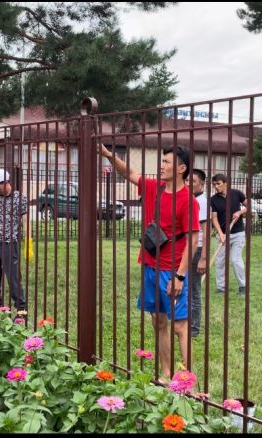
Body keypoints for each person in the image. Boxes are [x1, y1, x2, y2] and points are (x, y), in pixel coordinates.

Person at [98, 143, 199, 379]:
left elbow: (193, 241)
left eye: (166, 162)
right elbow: (131, 174)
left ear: (182, 168)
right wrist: (108, 155)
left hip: (172, 269)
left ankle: (188, 382)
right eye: (162, 161)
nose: (161, 166)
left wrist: (180, 276)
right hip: (150, 265)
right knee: (159, 321)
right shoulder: (155, 188)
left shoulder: (188, 200)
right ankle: (166, 375)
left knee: (180, 327)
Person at [0, 168, 29, 311]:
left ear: (4, 183)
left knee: (13, 278)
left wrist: (29, 241)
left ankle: (21, 308)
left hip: (10, 242)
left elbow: (25, 220)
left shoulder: (19, 198)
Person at [210, 173, 248, 296]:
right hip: (222, 235)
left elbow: (249, 206)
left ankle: (243, 286)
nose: (216, 186)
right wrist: (220, 234)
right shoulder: (214, 199)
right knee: (220, 261)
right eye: (214, 184)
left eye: (218, 184)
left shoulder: (236, 194)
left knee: (235, 260)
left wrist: (240, 212)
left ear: (226, 183)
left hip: (238, 233)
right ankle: (221, 288)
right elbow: (214, 219)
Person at [186, 169, 210, 338]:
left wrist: (203, 258)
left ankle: (194, 329)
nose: (189, 184)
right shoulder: (191, 200)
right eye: (187, 180)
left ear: (201, 184)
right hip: (187, 248)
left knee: (194, 290)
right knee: (186, 287)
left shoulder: (201, 201)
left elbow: (206, 231)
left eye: (193, 181)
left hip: (198, 250)